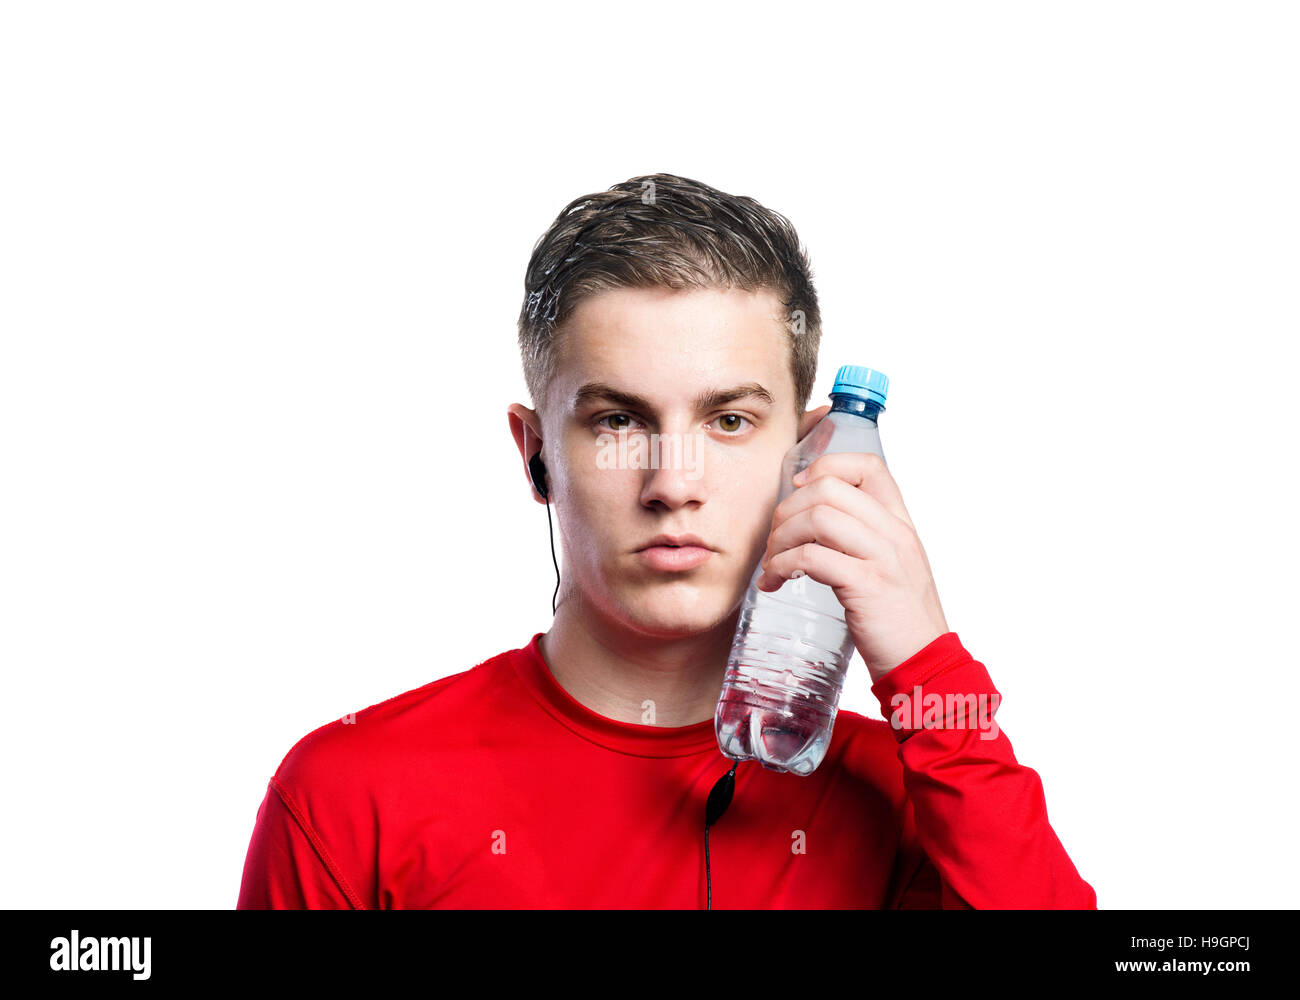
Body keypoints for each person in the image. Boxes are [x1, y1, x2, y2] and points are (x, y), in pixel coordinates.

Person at [236, 173, 1097, 909]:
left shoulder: (917, 798)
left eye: (729, 420)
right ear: (536, 453)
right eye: (618, 420)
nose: (673, 482)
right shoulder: (348, 796)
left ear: (808, 456)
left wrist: (927, 663)